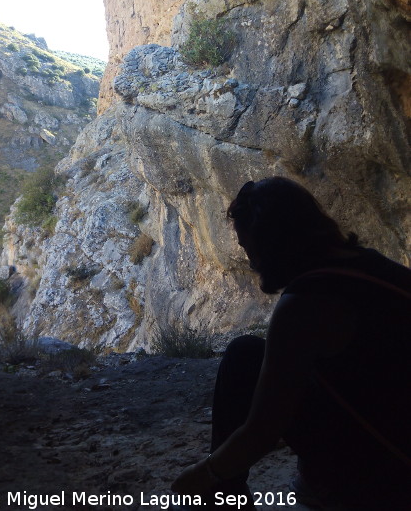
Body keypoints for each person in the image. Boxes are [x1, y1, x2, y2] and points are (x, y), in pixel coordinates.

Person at [171, 177, 411, 510]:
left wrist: (203, 474)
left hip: (389, 473)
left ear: (272, 243)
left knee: (243, 357)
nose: (252, 263)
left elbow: (263, 430)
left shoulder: (307, 302)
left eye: (249, 249)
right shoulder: (372, 265)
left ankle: (225, 497)